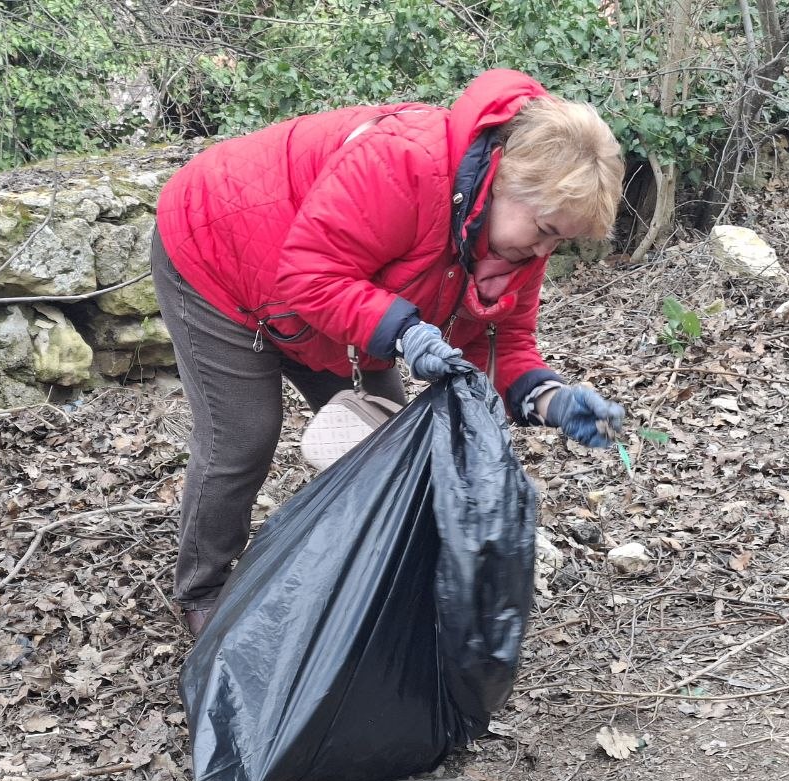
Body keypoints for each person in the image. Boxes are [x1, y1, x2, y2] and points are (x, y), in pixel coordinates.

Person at [152, 68, 627, 636]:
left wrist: (548, 398)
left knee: (390, 445)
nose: (545, 250)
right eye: (545, 229)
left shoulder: (518, 240)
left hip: (326, 293)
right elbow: (309, 275)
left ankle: (368, 582)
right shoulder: (407, 163)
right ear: (506, 178)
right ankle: (202, 590)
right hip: (218, 254)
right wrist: (404, 333)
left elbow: (503, 342)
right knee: (244, 435)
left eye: (560, 241)